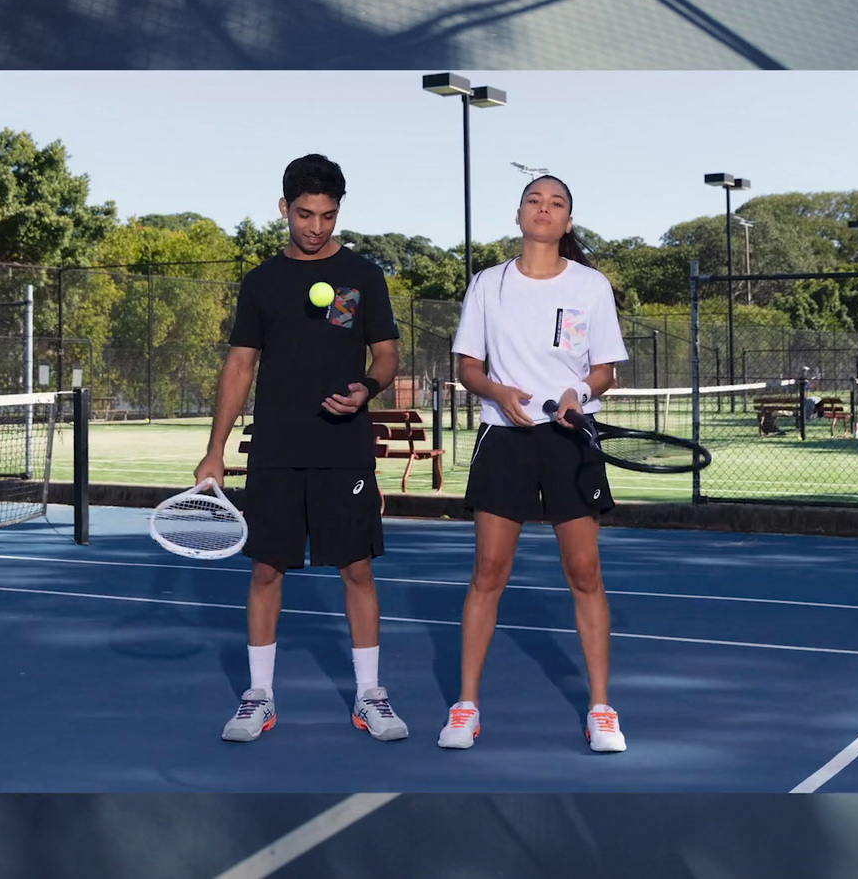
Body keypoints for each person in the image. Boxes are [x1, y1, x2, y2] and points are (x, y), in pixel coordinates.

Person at [194, 154, 408, 743]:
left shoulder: (363, 275)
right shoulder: (261, 281)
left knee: (357, 569)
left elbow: (386, 354)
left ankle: (370, 695)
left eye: (329, 216)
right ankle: (258, 696)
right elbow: (240, 366)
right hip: (276, 449)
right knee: (266, 570)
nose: (317, 227)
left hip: (344, 448)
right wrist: (214, 450)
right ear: (283, 207)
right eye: (306, 214)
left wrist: (367, 386)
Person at [439, 175, 630, 753]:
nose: (544, 210)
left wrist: (577, 391)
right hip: (505, 437)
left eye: (557, 204)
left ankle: (601, 708)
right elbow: (467, 366)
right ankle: (466, 706)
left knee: (585, 573)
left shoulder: (592, 286)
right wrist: (497, 392)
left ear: (568, 221)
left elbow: (606, 370)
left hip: (569, 439)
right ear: (519, 213)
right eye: (534, 200)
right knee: (488, 573)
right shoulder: (487, 285)